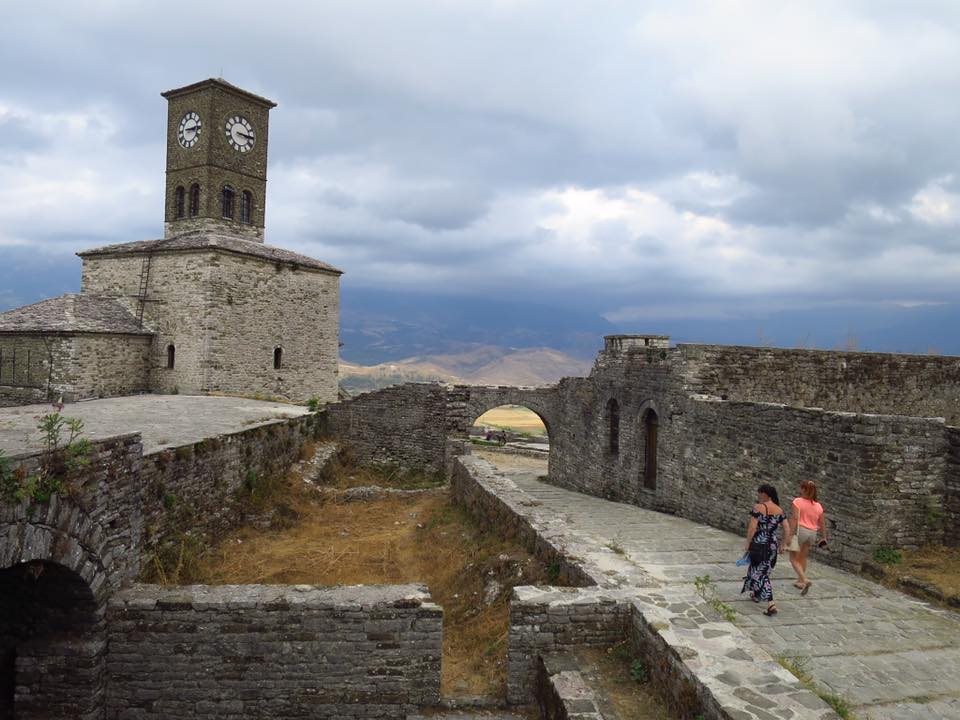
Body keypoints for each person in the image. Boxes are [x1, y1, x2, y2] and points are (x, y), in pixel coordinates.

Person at [741, 484, 787, 616]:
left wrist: (748, 543)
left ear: (765, 494)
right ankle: (756, 594)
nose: (758, 496)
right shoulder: (780, 510)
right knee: (761, 569)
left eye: (760, 493)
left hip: (759, 543)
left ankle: (771, 604)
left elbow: (752, 527)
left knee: (761, 572)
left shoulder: (759, 508)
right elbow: (787, 528)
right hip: (772, 544)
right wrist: (783, 544)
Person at [789, 480, 828, 595]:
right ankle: (800, 581)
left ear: (804, 490)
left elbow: (795, 518)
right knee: (803, 557)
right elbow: (822, 523)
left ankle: (804, 579)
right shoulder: (818, 506)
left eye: (801, 488)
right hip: (812, 533)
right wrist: (824, 537)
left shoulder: (797, 501)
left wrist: (790, 534)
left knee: (793, 559)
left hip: (801, 531)